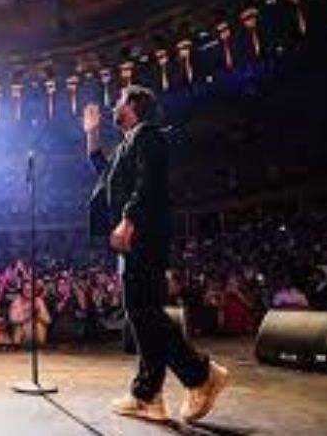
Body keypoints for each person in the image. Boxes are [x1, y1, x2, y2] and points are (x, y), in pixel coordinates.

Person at [84, 86, 228, 423]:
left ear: (133, 105)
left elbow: (149, 183)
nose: (113, 105)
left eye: (119, 101)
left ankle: (201, 375)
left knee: (145, 312)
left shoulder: (148, 135)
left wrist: (128, 219)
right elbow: (105, 173)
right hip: (135, 239)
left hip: (142, 235)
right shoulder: (128, 144)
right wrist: (92, 135)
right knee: (142, 314)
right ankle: (147, 395)